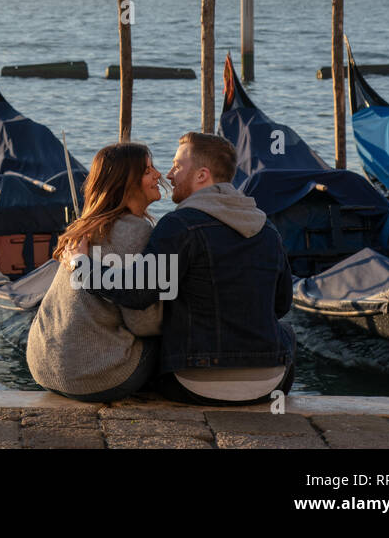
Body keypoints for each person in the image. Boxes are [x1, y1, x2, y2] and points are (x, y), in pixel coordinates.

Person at [91, 131, 295, 406]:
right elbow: (281, 305)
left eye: (177, 165)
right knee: (286, 333)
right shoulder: (267, 229)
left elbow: (137, 293)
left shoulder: (179, 226)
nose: (169, 175)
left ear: (202, 175)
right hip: (271, 384)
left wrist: (83, 268)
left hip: (195, 385)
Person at [25, 143, 164, 401]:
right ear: (126, 183)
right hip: (92, 378)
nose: (158, 174)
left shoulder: (83, 227)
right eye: (147, 170)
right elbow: (143, 323)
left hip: (42, 366)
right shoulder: (137, 232)